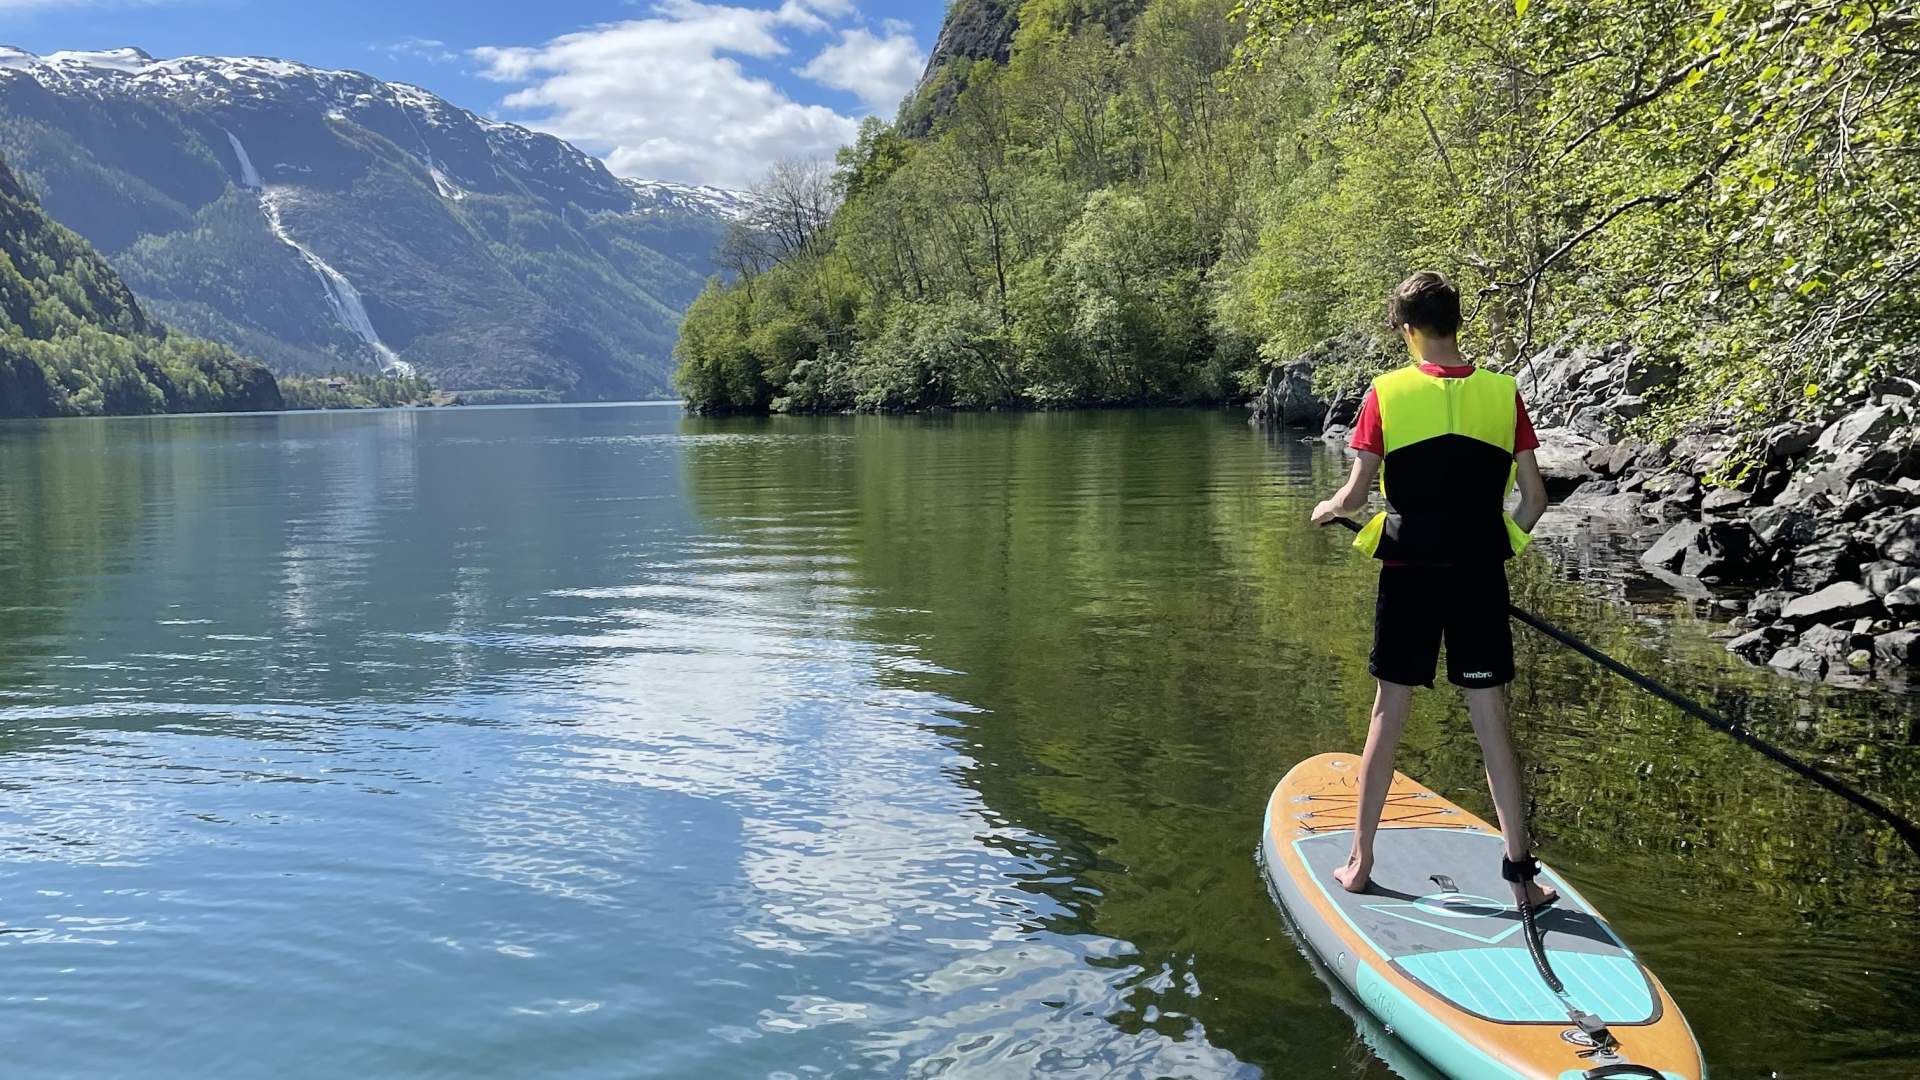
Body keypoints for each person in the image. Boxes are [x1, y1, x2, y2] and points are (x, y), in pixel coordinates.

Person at [1308, 271, 1557, 911]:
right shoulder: (1503, 394)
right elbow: (1534, 499)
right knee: (1490, 717)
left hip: (1409, 574)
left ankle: (1360, 863)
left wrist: (1328, 509)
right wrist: (1499, 545)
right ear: (1456, 323)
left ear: (1407, 329)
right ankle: (1521, 877)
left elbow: (1354, 496)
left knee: (1388, 711)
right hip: (1479, 576)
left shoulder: (1386, 393)